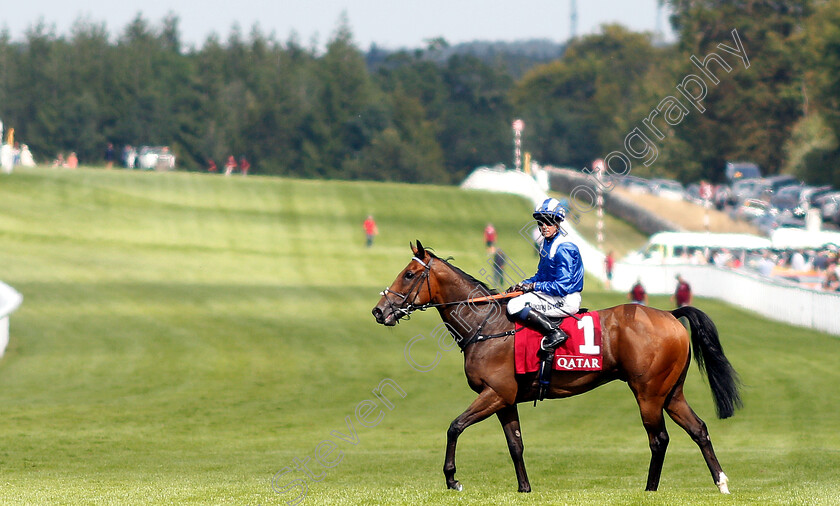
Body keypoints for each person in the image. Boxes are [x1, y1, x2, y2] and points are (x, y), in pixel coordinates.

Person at [506, 197, 584, 401]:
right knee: (515, 298)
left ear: (558, 222)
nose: (544, 226)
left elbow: (562, 285)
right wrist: (523, 285)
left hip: (566, 300)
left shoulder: (564, 247)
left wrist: (533, 287)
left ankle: (554, 333)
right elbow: (541, 277)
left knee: (515, 305)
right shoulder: (547, 244)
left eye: (548, 222)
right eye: (541, 222)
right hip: (553, 295)